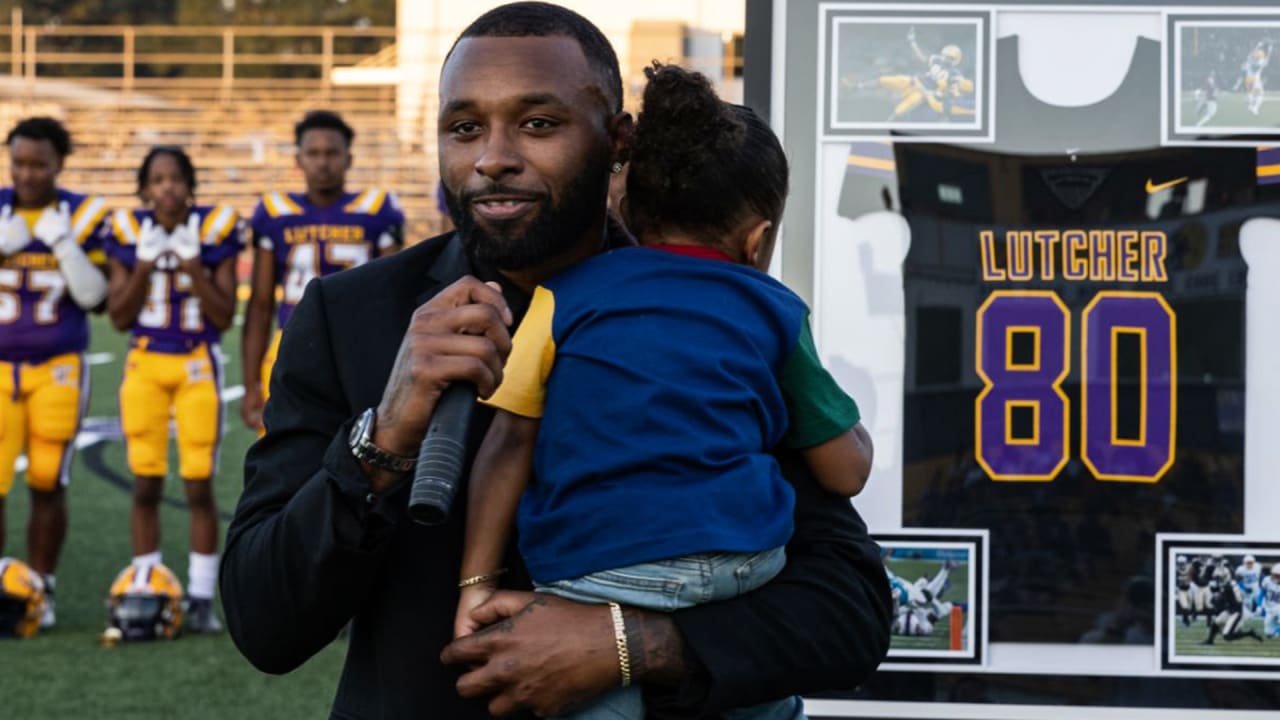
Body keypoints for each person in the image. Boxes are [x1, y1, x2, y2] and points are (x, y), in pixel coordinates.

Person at [221, 4, 892, 718]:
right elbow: (266, 623)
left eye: (538, 124)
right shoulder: (351, 315)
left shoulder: (712, 312)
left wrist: (632, 643)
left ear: (618, 143)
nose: (493, 158)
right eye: (464, 127)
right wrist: (381, 440)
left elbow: (848, 610)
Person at [454, 63, 874, 720]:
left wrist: (475, 586)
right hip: (744, 570)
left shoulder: (559, 300)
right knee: (759, 694)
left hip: (595, 578)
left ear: (624, 206)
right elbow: (844, 472)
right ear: (758, 238)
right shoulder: (775, 311)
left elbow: (509, 441)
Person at [104, 146, 243, 633]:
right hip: (144, 361)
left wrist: (192, 265)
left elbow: (224, 315)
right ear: (144, 189)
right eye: (157, 180)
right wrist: (143, 267)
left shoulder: (214, 229)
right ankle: (148, 582)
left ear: (190, 184)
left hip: (197, 363)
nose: (167, 188)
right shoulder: (125, 231)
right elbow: (119, 317)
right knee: (145, 481)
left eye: (175, 178)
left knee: (198, 482)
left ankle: (202, 597)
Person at [0, 117, 110, 629]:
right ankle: (4, 580)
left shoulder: (82, 215)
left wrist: (62, 244)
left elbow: (94, 298)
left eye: (39, 164)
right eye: (19, 162)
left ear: (59, 164)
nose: (28, 174)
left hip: (57, 367)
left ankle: (41, 586)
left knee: (48, 481)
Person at [239, 110, 406, 433]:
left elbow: (393, 298)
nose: (323, 162)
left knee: (357, 452)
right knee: (281, 456)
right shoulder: (274, 212)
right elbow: (260, 305)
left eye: (332, 153)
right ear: (299, 159)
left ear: (348, 158)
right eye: (313, 153)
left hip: (358, 347)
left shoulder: (377, 209)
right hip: (290, 345)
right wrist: (250, 386)